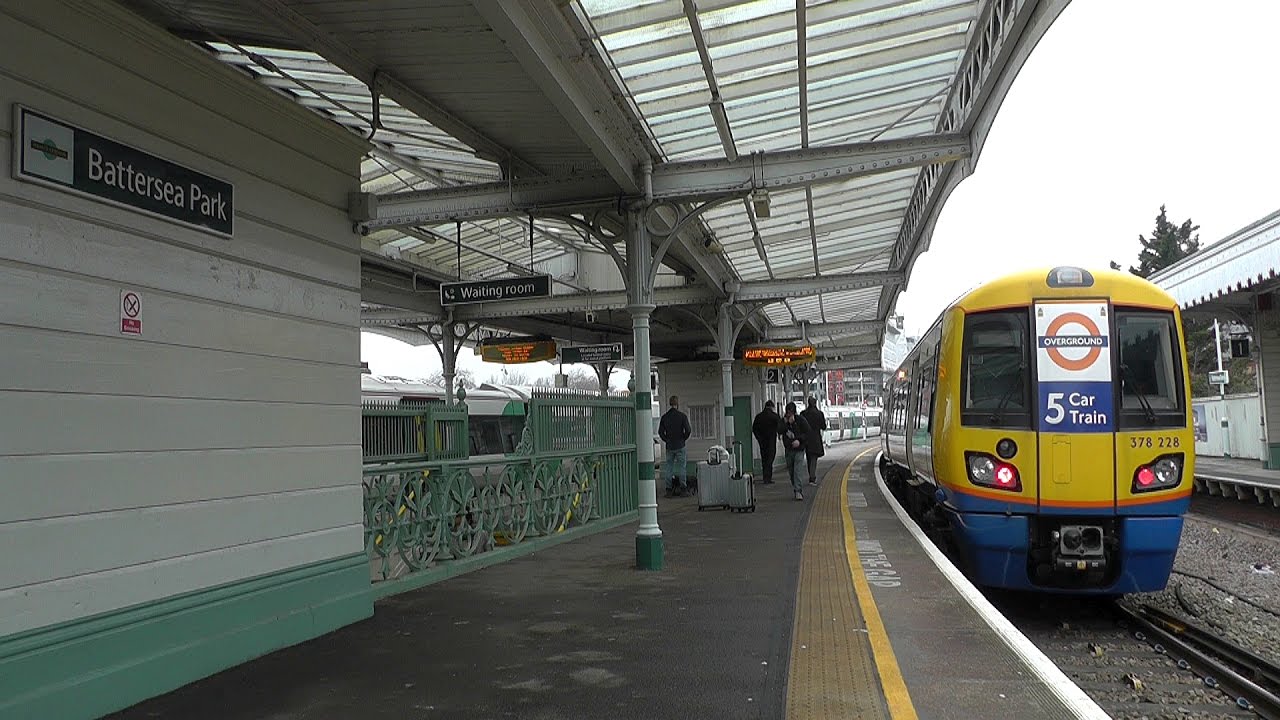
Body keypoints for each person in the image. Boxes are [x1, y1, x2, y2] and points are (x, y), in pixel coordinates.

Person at [658, 394, 692, 497]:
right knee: (682, 467)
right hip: (680, 444)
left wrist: (666, 440)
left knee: (669, 467)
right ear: (677, 404)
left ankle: (669, 489)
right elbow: (688, 430)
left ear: (670, 403)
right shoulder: (682, 416)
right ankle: (683, 489)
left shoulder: (665, 417)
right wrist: (683, 439)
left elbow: (660, 432)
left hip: (670, 446)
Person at [780, 402, 811, 500]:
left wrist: (799, 440)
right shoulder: (783, 421)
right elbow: (779, 430)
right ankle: (796, 486)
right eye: (787, 412)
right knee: (791, 471)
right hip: (788, 449)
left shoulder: (801, 420)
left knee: (797, 470)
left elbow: (807, 432)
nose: (788, 414)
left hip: (799, 449)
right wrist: (786, 423)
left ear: (794, 412)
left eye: (790, 412)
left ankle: (798, 490)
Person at [751, 400, 782, 484]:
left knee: (764, 459)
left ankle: (765, 477)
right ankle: (768, 477)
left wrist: (758, 438)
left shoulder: (759, 416)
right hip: (771, 440)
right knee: (770, 458)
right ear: (772, 407)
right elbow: (780, 428)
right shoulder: (775, 416)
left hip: (762, 441)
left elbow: (754, 429)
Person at [801, 396, 828, 486]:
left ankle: (811, 475)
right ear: (815, 403)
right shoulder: (819, 414)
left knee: (809, 457)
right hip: (815, 438)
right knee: (813, 458)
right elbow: (823, 426)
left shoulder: (803, 414)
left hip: (806, 438)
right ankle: (812, 477)